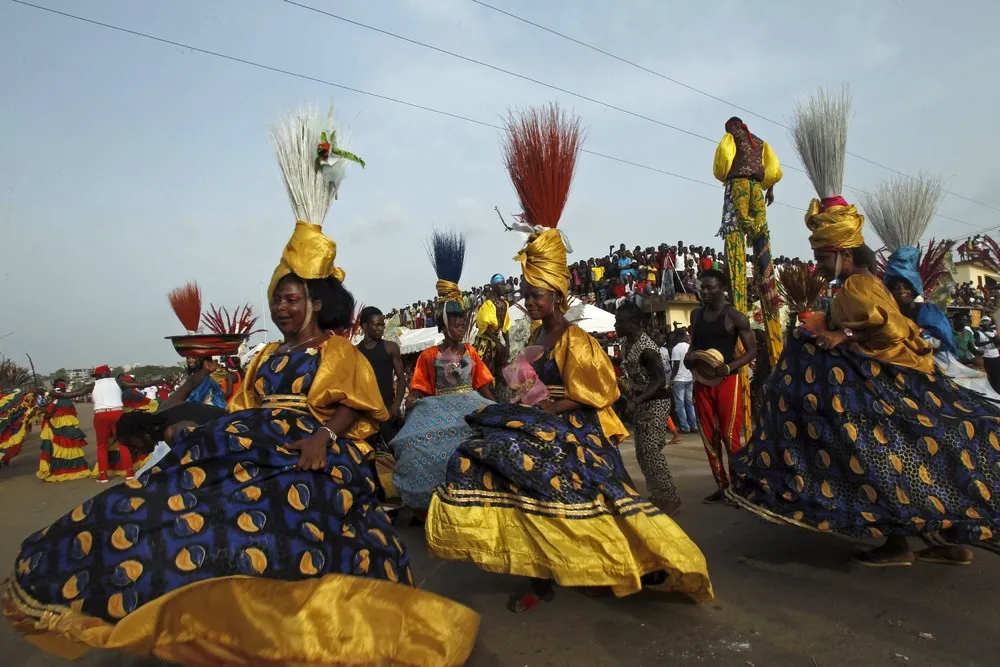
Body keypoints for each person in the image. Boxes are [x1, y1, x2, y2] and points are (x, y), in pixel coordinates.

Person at [4, 107, 478, 666]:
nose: (283, 305)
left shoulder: (338, 351)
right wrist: (188, 426)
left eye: (293, 296)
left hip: (311, 449)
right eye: (278, 297)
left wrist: (323, 437)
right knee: (166, 502)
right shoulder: (266, 356)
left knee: (284, 524)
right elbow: (239, 409)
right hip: (251, 442)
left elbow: (355, 406)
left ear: (317, 302)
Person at [426, 102, 712, 615]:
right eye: (527, 293)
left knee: (594, 507)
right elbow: (521, 383)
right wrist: (519, 401)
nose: (530, 301)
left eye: (538, 294)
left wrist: (553, 409)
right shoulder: (535, 336)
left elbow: (599, 392)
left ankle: (628, 564)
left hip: (574, 429)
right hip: (539, 422)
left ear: (557, 293)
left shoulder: (576, 339)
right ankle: (540, 571)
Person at [727, 88, 1000, 568]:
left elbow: (889, 337)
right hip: (906, 383)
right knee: (926, 462)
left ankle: (897, 545)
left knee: (880, 464)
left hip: (887, 389)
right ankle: (946, 542)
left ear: (845, 253)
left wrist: (838, 338)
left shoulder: (855, 286)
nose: (818, 264)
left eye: (821, 256)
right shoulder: (861, 285)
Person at [391, 231, 494, 514]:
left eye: (463, 322)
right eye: (456, 322)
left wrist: (497, 409)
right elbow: (420, 386)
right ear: (444, 325)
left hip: (471, 402)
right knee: (413, 445)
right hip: (438, 407)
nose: (461, 326)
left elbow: (483, 384)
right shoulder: (429, 355)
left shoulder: (471, 352)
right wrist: (411, 399)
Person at [713, 116, 784, 432]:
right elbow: (775, 171)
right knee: (760, 235)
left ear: (731, 128)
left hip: (740, 186)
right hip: (758, 189)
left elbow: (721, 166)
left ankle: (740, 297)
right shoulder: (762, 143)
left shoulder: (731, 140)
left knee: (735, 240)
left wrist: (730, 181)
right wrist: (766, 187)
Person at [685, 269, 756, 504]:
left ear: (722, 288)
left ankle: (739, 487)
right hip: (702, 381)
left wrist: (730, 367)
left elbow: (753, 350)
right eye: (702, 287)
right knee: (708, 437)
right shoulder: (696, 315)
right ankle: (722, 487)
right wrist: (689, 357)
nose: (704, 292)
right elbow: (692, 346)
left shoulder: (735, 317)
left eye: (709, 287)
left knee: (729, 436)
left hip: (728, 381)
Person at [615, 302, 682, 515]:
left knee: (650, 450)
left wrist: (637, 399)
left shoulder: (647, 348)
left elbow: (659, 380)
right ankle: (658, 494)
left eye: (620, 321)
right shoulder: (627, 342)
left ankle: (670, 497)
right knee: (642, 453)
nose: (616, 324)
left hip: (655, 402)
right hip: (642, 401)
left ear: (632, 322)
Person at [51, 366, 164, 482]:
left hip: (101, 415)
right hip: (118, 413)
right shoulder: (118, 382)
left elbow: (72, 394)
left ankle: (103, 475)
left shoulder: (93, 385)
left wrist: (55, 394)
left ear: (99, 375)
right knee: (123, 443)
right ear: (108, 374)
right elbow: (140, 385)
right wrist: (158, 381)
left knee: (102, 446)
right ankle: (129, 473)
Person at [356, 306, 406, 450]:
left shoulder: (391, 348)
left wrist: (396, 406)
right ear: (365, 326)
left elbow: (401, 379)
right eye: (376, 325)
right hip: (365, 418)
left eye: (382, 324)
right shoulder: (356, 353)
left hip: (388, 414)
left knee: (393, 456)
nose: (381, 328)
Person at [36, 379, 91, 482]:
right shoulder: (67, 402)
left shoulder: (56, 402)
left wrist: (44, 411)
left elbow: (50, 415)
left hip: (57, 432)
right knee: (71, 450)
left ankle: (60, 470)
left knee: (57, 451)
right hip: (68, 432)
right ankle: (75, 470)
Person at [474, 273, 511, 402]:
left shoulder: (505, 304)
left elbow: (505, 326)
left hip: (496, 341)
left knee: (501, 370)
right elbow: (483, 326)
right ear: (493, 287)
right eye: (500, 285)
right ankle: (483, 398)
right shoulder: (488, 304)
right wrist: (498, 343)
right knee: (484, 369)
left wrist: (507, 344)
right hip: (485, 342)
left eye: (504, 284)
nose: (503, 287)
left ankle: (498, 398)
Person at [670, 327, 697, 434]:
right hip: (689, 378)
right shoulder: (689, 347)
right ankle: (693, 425)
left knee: (680, 404)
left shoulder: (676, 349)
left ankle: (685, 427)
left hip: (679, 379)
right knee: (689, 403)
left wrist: (671, 379)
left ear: (676, 336)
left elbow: (676, 366)